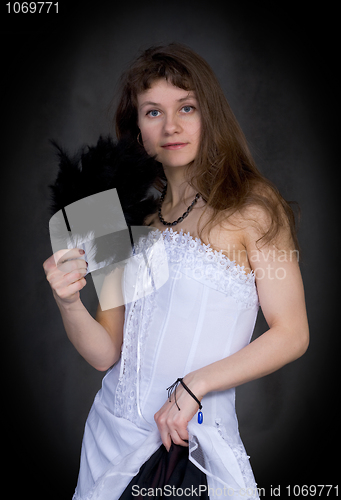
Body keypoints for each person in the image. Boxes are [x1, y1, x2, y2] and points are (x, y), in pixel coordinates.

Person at [43, 43, 309, 499]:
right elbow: (107, 352)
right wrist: (68, 303)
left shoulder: (253, 209)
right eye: (152, 112)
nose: (171, 127)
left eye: (186, 107)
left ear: (210, 115)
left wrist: (194, 386)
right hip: (110, 437)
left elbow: (292, 333)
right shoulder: (124, 216)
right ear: (137, 129)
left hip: (189, 436)